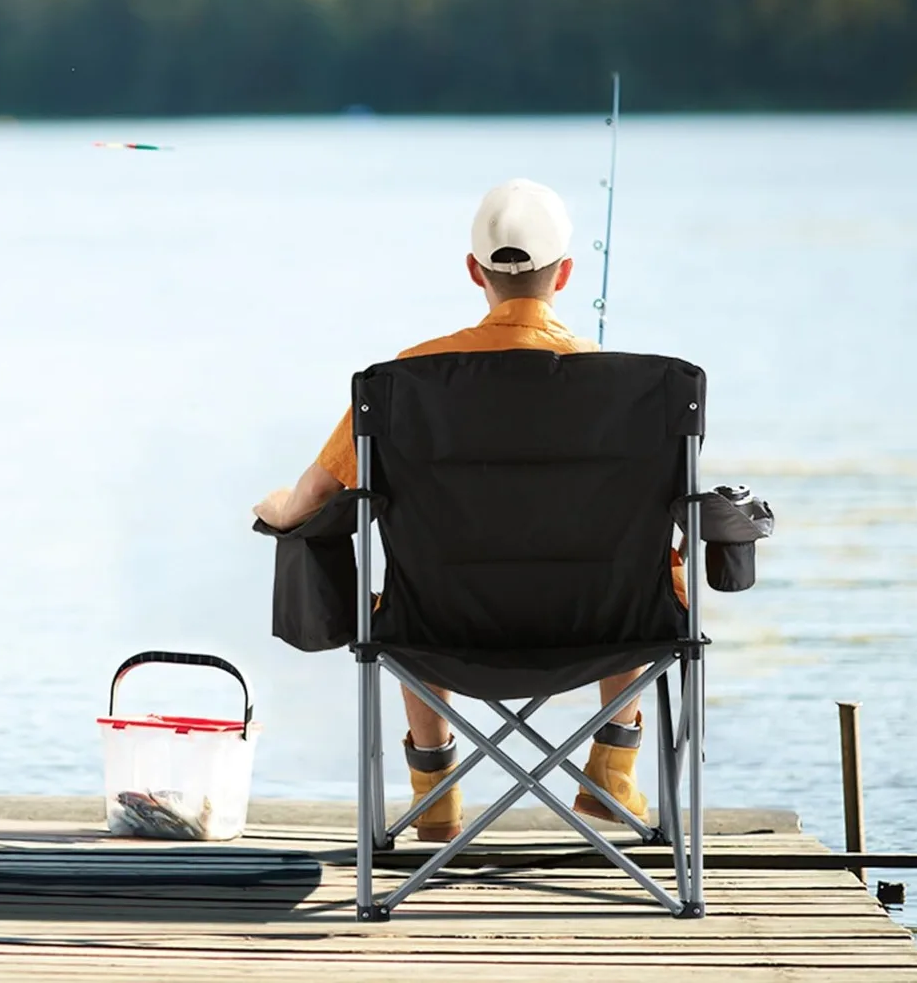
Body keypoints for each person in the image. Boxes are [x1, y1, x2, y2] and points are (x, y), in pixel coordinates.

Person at [254, 178, 686, 843]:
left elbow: (310, 501)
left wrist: (276, 507)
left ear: (472, 271)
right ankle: (610, 767)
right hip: (600, 630)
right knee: (636, 558)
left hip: (439, 632)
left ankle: (436, 796)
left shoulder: (403, 383)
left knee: (408, 585)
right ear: (565, 274)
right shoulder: (629, 392)